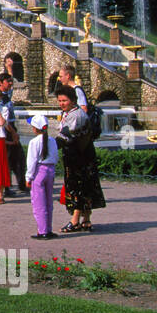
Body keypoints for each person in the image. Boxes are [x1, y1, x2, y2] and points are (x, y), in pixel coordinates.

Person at [55, 84, 106, 232]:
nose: (61, 103)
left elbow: (65, 137)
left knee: (77, 187)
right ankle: (87, 220)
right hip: (85, 154)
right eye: (59, 101)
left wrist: (45, 146)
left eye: (64, 100)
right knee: (86, 186)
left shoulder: (76, 116)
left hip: (78, 157)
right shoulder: (72, 113)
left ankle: (75, 221)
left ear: (72, 100)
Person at [25, 114, 59, 239]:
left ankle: (42, 230)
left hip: (39, 171)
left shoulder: (34, 142)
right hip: (50, 170)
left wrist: (28, 177)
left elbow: (31, 161)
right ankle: (48, 229)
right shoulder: (52, 140)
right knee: (48, 201)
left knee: (39, 203)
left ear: (35, 128)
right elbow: (56, 157)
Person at [0, 72, 26, 196]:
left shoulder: (6, 94)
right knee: (8, 158)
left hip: (11, 128)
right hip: (6, 129)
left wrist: (9, 68)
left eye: (11, 81)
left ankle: (21, 184)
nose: (10, 84)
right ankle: (6, 187)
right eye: (8, 82)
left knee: (18, 157)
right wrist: (13, 133)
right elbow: (3, 120)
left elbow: (10, 91)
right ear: (0, 83)